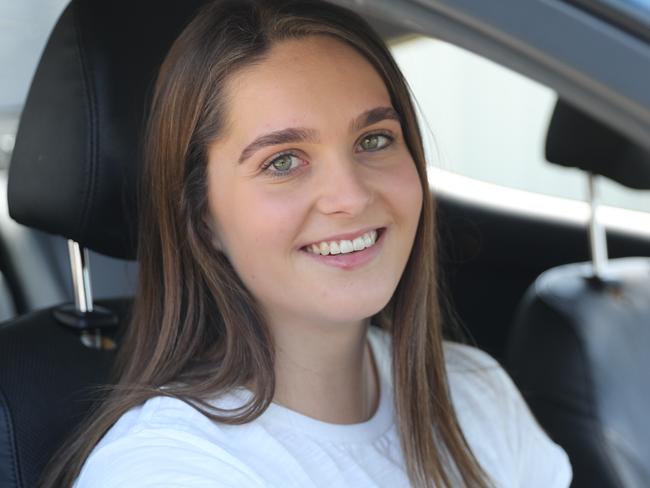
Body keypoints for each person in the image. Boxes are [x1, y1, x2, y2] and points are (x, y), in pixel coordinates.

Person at [42, 0, 572, 486]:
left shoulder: (475, 393)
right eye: (283, 161)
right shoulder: (168, 469)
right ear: (203, 219)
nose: (350, 195)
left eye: (374, 140)